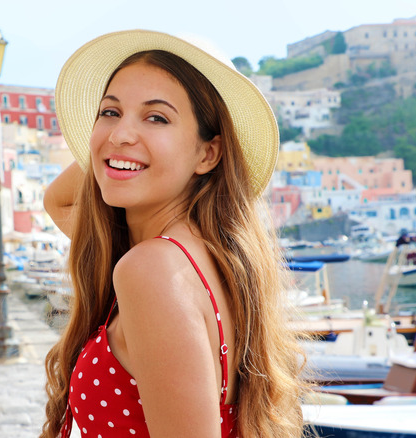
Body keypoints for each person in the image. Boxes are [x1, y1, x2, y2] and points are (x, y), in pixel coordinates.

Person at [41, 30, 307, 438]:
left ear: (208, 153)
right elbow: (59, 203)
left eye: (157, 117)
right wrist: (118, 148)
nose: (121, 131)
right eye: (109, 112)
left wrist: (119, 147)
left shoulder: (153, 270)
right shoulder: (205, 256)